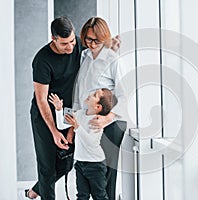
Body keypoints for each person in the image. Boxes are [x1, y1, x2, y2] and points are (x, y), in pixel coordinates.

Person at [27, 16, 121, 199]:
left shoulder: (80, 46)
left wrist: (111, 47)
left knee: (67, 164)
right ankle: (44, 193)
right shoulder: (42, 60)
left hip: (76, 116)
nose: (71, 47)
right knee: (47, 166)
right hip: (46, 114)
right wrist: (55, 131)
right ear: (53, 39)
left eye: (72, 41)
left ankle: (37, 189)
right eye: (64, 44)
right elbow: (42, 100)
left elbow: (99, 51)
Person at [72, 17, 127, 200]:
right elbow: (80, 91)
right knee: (89, 176)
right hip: (88, 121)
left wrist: (107, 118)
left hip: (109, 124)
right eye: (88, 39)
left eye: (96, 40)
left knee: (105, 178)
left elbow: (124, 96)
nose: (92, 44)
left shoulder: (113, 60)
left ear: (104, 38)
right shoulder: (84, 56)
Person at [49, 88, 116, 200]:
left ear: (98, 107)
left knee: (99, 196)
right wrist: (59, 109)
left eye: (95, 95)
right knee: (82, 196)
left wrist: (77, 127)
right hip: (80, 163)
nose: (90, 94)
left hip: (96, 165)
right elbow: (61, 126)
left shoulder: (97, 120)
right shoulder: (79, 114)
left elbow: (91, 142)